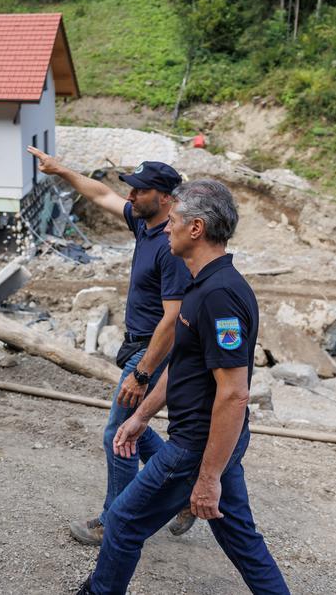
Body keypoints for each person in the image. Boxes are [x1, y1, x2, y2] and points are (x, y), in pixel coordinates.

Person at [76, 179, 289, 595]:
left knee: (122, 523)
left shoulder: (221, 295)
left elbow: (234, 393)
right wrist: (141, 416)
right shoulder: (199, 284)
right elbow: (183, 365)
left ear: (196, 228)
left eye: (172, 221)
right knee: (239, 538)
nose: (165, 228)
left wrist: (208, 477)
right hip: (211, 442)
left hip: (195, 446)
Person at [26, 146, 196, 545]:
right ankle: (182, 490)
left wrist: (142, 372)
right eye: (132, 190)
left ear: (166, 198)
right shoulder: (146, 224)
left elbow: (173, 320)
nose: (131, 196)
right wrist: (61, 169)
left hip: (152, 351)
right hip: (139, 346)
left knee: (117, 433)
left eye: (140, 191)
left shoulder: (171, 247)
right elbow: (101, 195)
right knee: (133, 428)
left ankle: (113, 520)